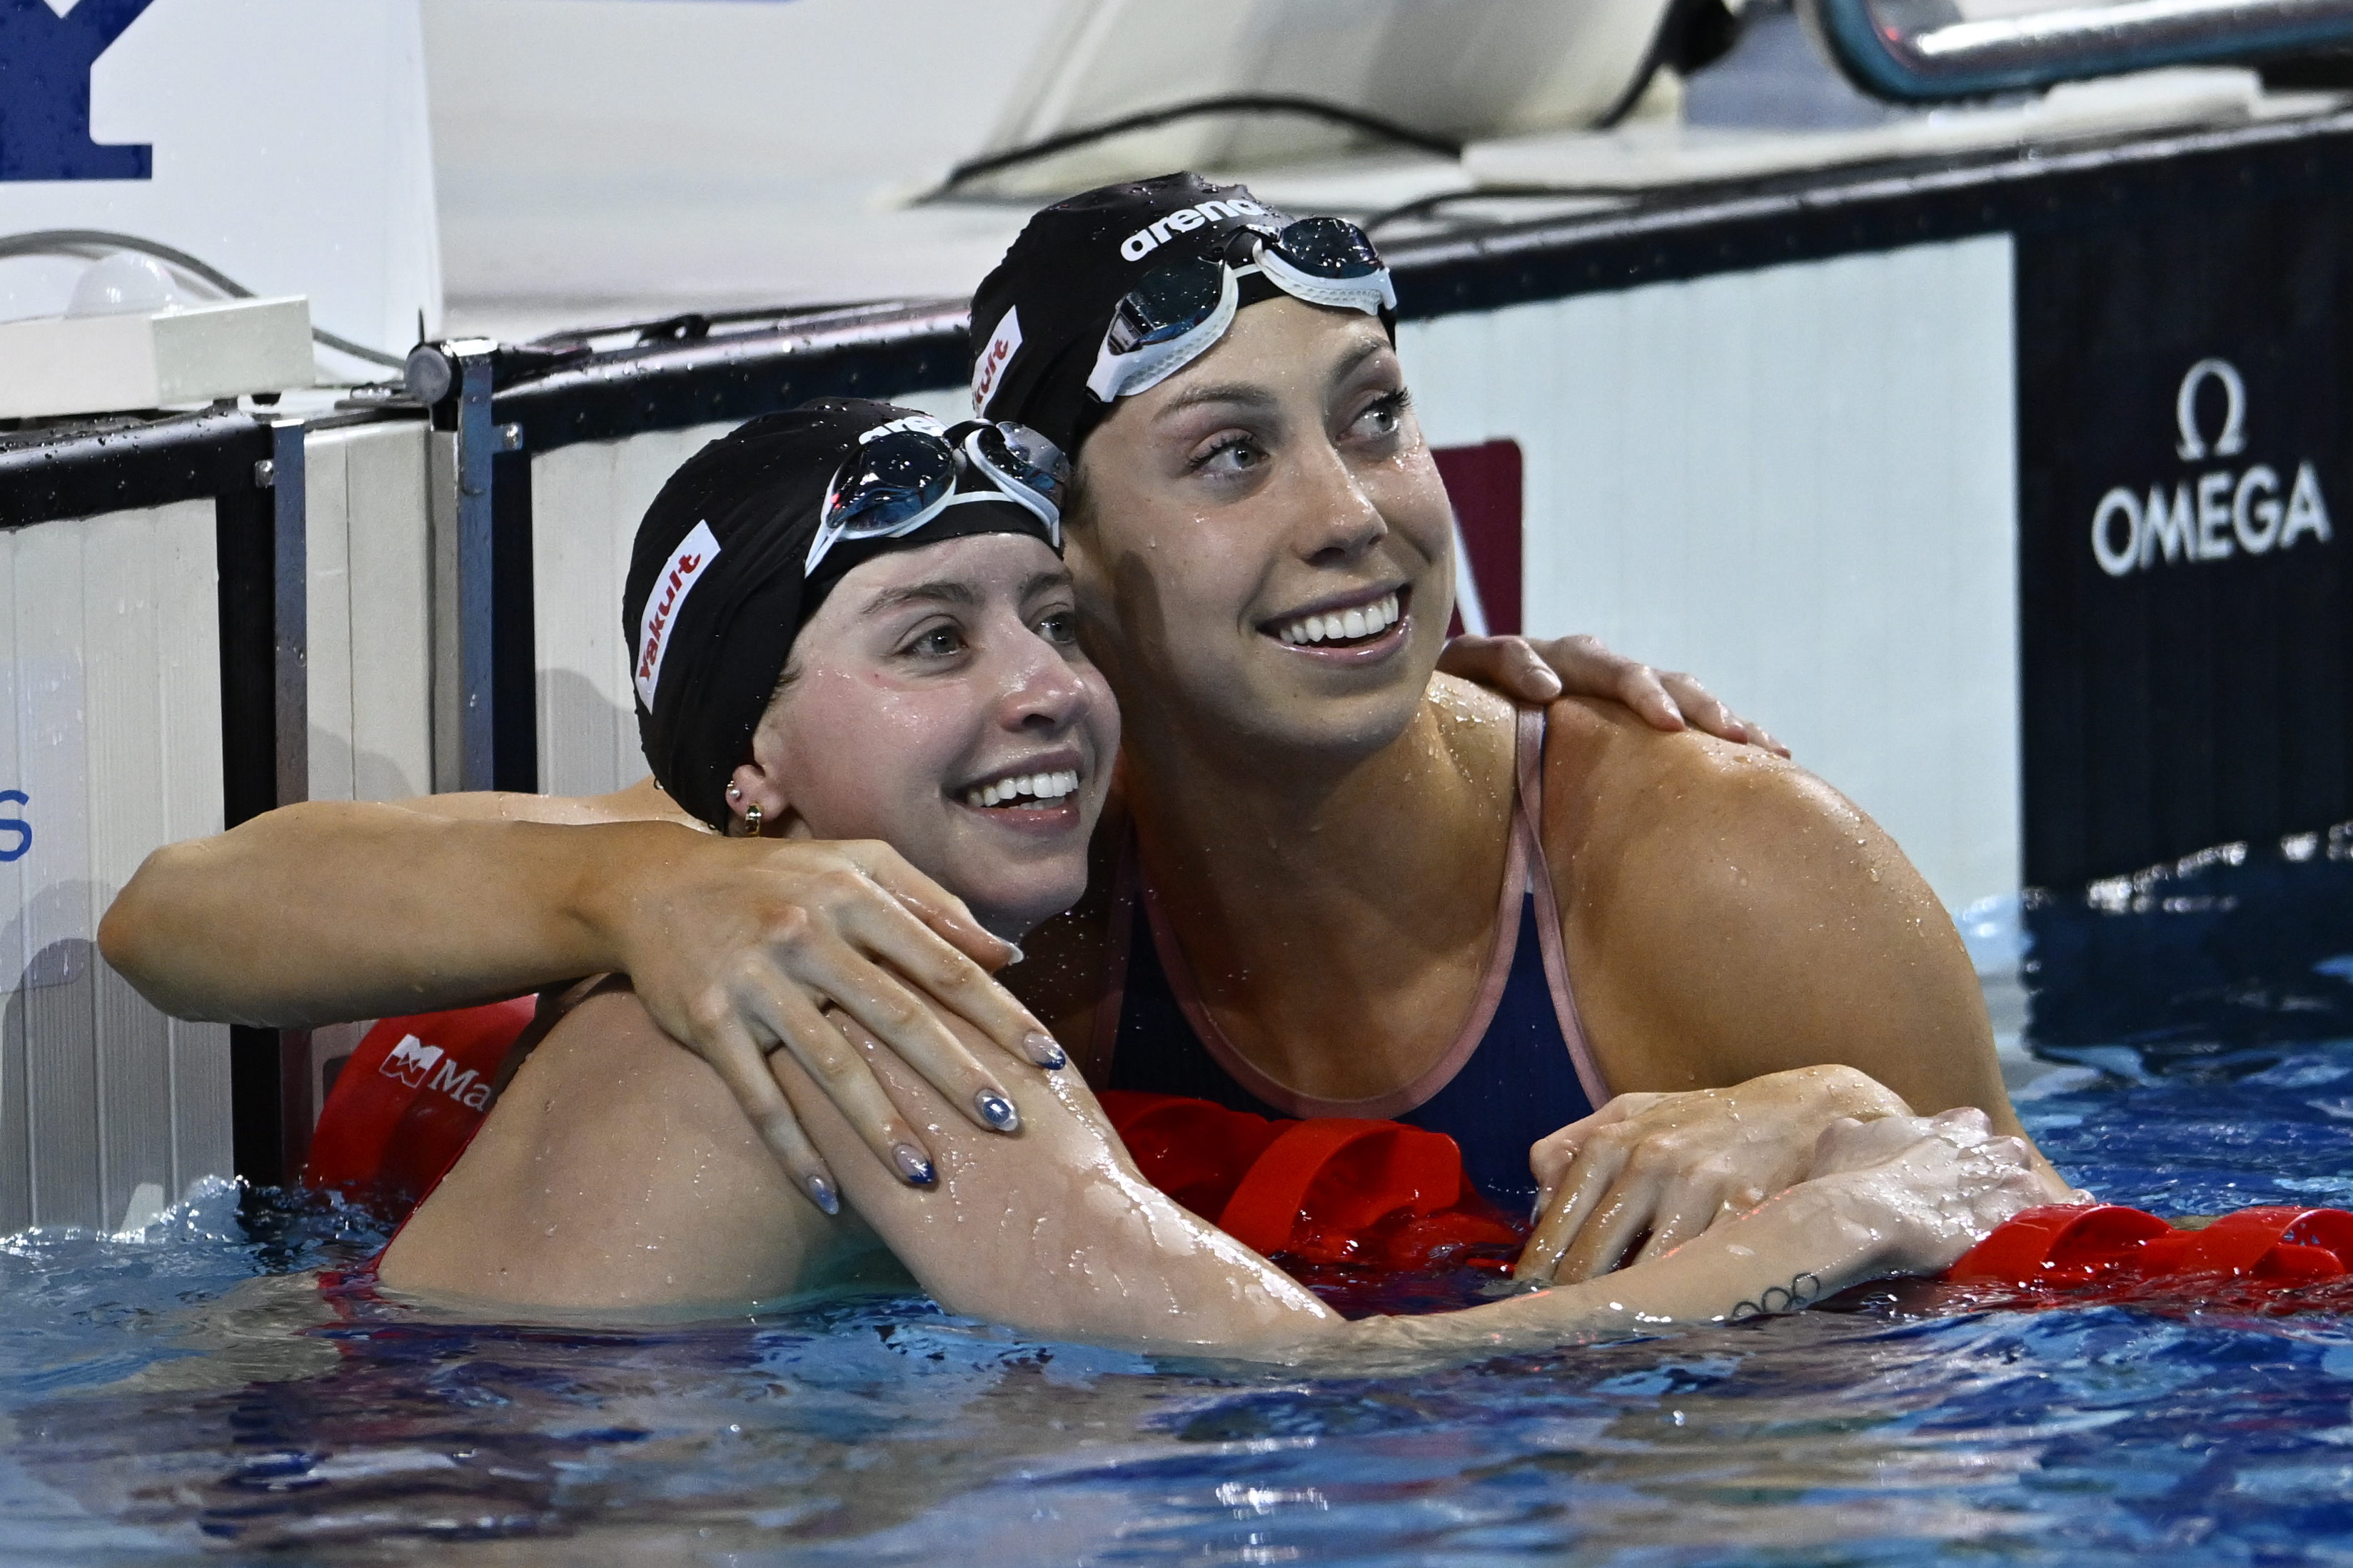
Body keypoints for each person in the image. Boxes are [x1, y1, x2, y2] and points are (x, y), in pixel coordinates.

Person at [97, 175, 2069, 1285]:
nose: (1352, 511)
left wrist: (1864, 1142)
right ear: (1078, 568)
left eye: (1375, 416)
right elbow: (186, 911)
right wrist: (648, 882)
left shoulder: (1706, 866)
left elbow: (2067, 1267)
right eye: (1232, 454)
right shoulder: (999, 843)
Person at [370, 398, 2043, 1357]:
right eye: (936, 640)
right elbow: (1327, 1372)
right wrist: (1852, 1212)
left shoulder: (705, 953)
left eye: (1056, 619)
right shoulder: (859, 1007)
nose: (1037, 686)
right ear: (750, 772)